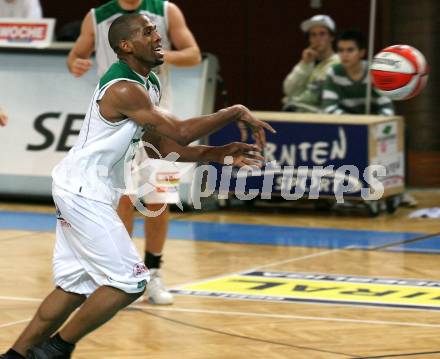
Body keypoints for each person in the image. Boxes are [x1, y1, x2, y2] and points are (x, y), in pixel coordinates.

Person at [0, 13, 274, 359]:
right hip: (84, 192)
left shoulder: (148, 84)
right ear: (126, 46)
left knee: (74, 286)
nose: (157, 36)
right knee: (130, 282)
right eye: (147, 32)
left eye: (155, 29)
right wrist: (234, 111)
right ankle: (55, 349)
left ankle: (17, 355)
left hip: (81, 187)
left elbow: (164, 147)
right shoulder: (124, 88)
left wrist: (217, 153)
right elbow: (182, 132)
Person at [67, 0, 202, 305]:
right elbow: (75, 56)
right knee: (122, 201)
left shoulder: (166, 11)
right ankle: (124, 274)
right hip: (118, 125)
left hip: (160, 119)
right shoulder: (96, 16)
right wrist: (75, 63)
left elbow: (193, 54)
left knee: (159, 199)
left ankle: (154, 273)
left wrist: (156, 54)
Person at [322, 30, 394, 115]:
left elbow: (387, 107)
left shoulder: (376, 72)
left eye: (350, 50)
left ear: (361, 52)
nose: (344, 55)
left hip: (374, 122)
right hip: (346, 124)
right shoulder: (333, 73)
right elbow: (329, 108)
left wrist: (372, 123)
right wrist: (356, 124)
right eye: (341, 50)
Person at [282, 14, 339, 112]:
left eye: (322, 34)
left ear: (331, 37)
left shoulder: (338, 63)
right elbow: (288, 89)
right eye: (313, 35)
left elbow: (317, 97)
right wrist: (305, 64)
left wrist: (292, 100)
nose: (317, 39)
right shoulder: (310, 63)